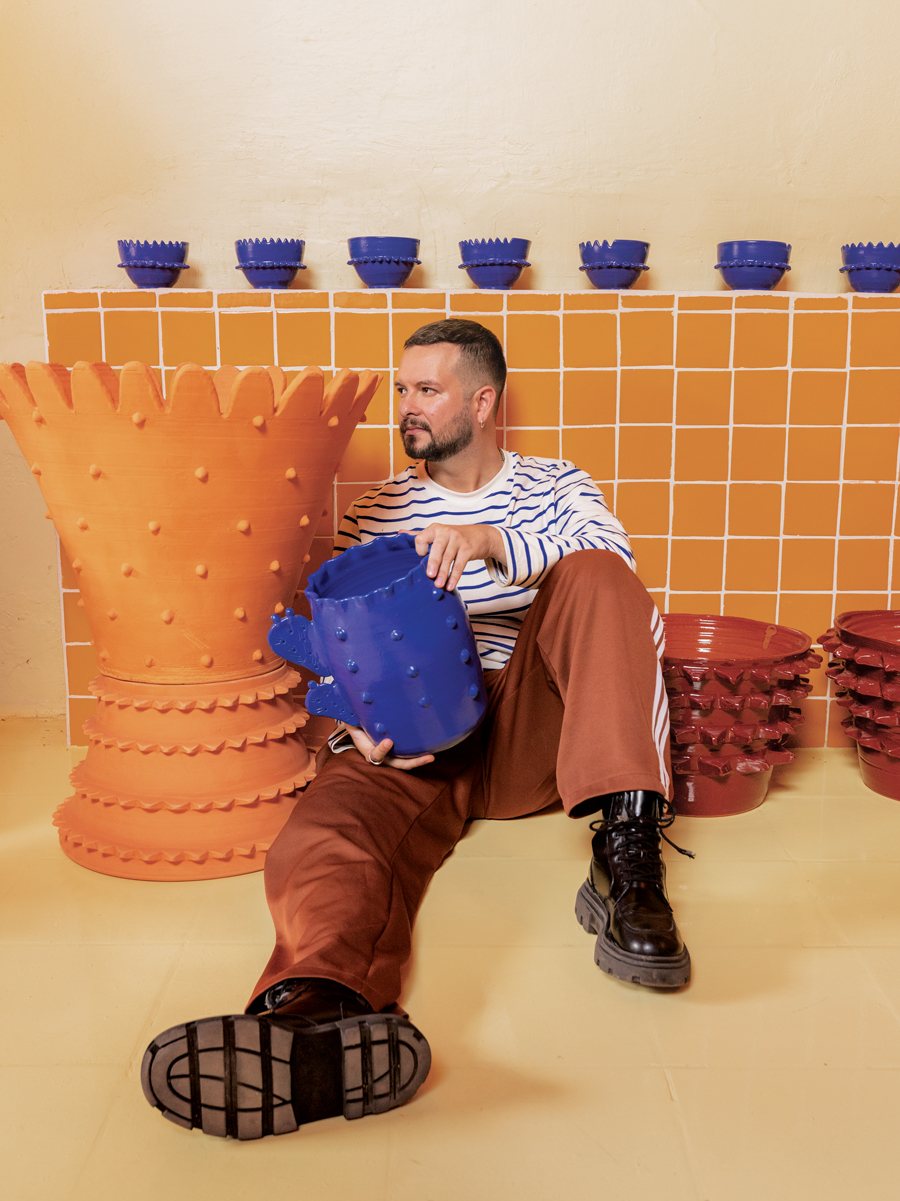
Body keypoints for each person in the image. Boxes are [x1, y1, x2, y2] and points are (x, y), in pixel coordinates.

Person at [141, 318, 691, 1141]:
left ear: (484, 398)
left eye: (425, 390)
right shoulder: (378, 510)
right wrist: (357, 722)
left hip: (531, 724)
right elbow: (337, 645)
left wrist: (487, 540)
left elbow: (611, 560)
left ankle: (628, 861)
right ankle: (319, 1009)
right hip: (416, 733)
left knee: (598, 574)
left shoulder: (552, 484)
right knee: (328, 826)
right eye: (402, 390)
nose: (407, 407)